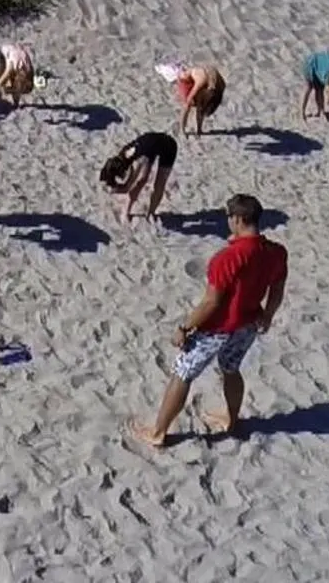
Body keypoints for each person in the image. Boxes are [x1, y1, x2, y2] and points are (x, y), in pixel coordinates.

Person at [130, 194, 287, 448]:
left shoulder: (227, 258)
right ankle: (232, 420)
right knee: (231, 368)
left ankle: (158, 432)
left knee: (182, 373)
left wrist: (185, 327)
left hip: (218, 327)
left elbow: (211, 303)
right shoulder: (277, 252)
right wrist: (267, 315)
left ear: (237, 219)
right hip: (248, 323)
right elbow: (277, 288)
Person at [99, 131, 178, 224]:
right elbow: (132, 173)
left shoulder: (139, 158)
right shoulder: (124, 153)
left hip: (169, 147)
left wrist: (124, 187)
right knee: (142, 180)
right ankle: (127, 209)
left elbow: (133, 180)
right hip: (149, 145)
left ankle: (151, 213)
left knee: (159, 184)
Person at [174, 65, 227, 136]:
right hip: (207, 78)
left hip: (212, 84)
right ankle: (195, 129)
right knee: (196, 106)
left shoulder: (203, 82)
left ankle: (199, 129)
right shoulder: (196, 75)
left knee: (201, 109)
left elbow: (190, 104)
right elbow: (187, 104)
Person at [0, 43, 36, 107]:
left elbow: (29, 87)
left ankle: (15, 104)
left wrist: (16, 90)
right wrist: (5, 90)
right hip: (1, 53)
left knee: (17, 88)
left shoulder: (29, 70)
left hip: (16, 52)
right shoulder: (11, 68)